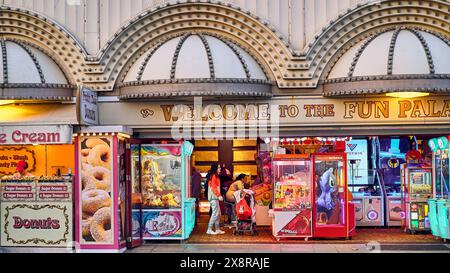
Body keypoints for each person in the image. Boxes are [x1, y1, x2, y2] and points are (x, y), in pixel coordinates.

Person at [206, 163, 225, 235]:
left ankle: (217, 229)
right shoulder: (213, 176)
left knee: (218, 213)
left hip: (215, 197)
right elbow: (214, 187)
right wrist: (219, 195)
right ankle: (209, 229)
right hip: (213, 197)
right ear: (215, 169)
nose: (220, 169)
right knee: (215, 213)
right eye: (219, 168)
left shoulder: (216, 176)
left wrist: (218, 195)